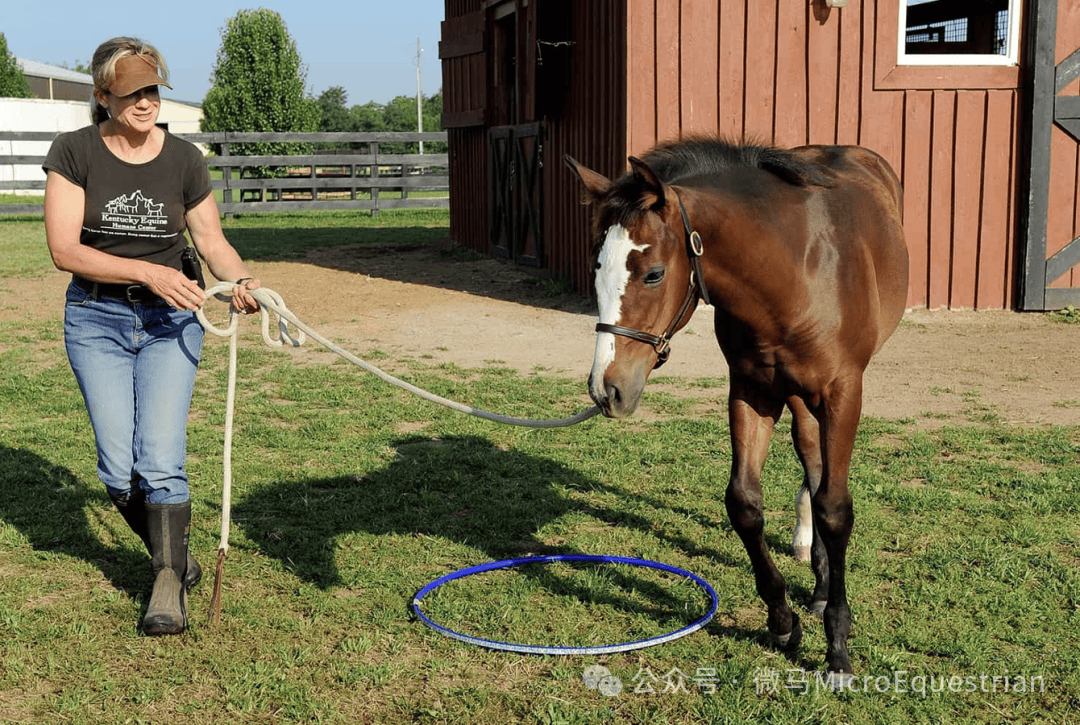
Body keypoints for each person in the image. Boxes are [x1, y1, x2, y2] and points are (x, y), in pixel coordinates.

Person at [42, 37, 261, 636]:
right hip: (96, 319)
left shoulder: (184, 159)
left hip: (172, 323)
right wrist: (148, 270)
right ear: (103, 95)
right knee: (118, 469)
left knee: (161, 460)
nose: (145, 102)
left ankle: (167, 586)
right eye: (133, 91)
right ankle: (176, 557)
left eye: (153, 90)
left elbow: (211, 241)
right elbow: (65, 249)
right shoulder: (74, 151)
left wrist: (239, 280)